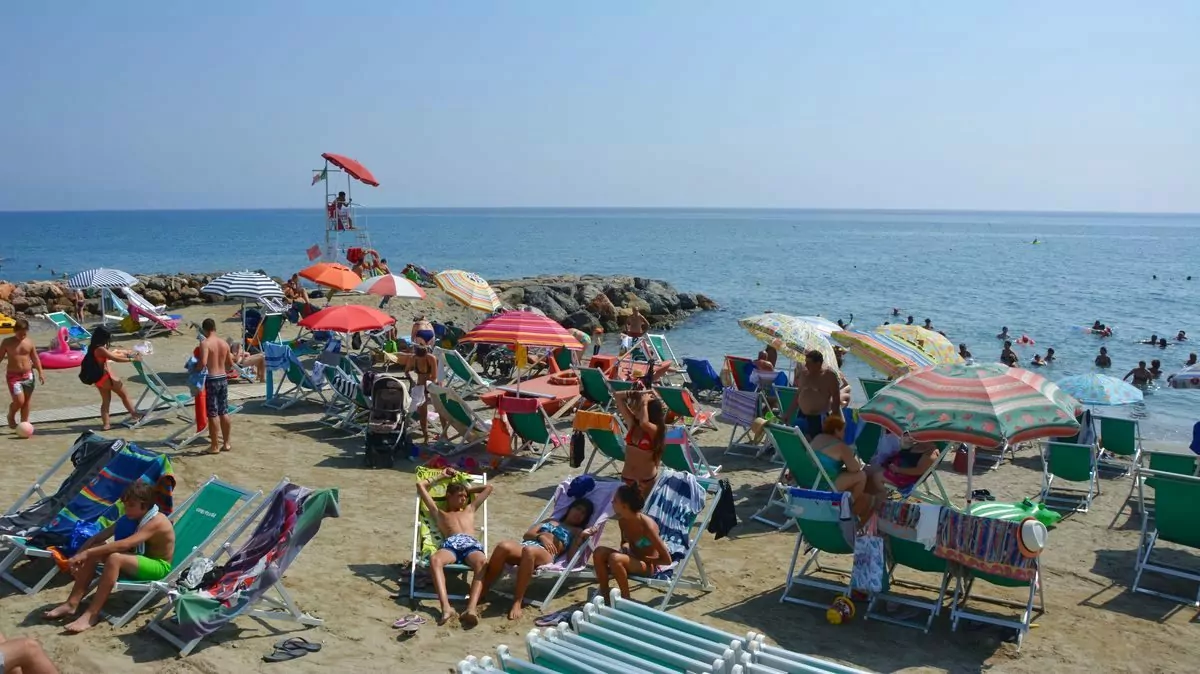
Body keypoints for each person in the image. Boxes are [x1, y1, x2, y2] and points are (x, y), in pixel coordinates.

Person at [43, 481, 174, 634]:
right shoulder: (132, 516)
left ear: (144, 506)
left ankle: (91, 615)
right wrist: (80, 555)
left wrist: (88, 553)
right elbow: (99, 537)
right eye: (125, 505)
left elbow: (124, 545)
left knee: (114, 557)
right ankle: (71, 603)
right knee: (97, 549)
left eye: (131, 505)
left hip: (157, 566)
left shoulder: (157, 522)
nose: (127, 509)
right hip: (135, 559)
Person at [479, 498, 596, 621]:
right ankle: (484, 589)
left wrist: (580, 539)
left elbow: (572, 558)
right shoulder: (551, 520)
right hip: (527, 545)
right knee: (503, 546)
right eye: (578, 509)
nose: (579, 514)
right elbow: (527, 535)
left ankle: (518, 601)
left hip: (545, 555)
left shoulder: (577, 531)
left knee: (529, 550)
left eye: (584, 514)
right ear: (570, 508)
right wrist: (541, 537)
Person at [417, 468, 492, 626]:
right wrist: (441, 476)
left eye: (465, 497)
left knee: (482, 562)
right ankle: (446, 608)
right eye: (459, 496)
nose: (463, 499)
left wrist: (467, 488)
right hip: (451, 545)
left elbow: (488, 488)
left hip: (470, 545)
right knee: (435, 560)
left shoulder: (470, 510)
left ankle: (471, 609)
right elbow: (420, 485)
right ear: (448, 496)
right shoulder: (440, 514)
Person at [592, 485, 671, 601]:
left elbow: (667, 560)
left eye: (615, 501)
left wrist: (650, 560)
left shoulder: (647, 527)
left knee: (615, 558)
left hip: (647, 566)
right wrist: (624, 546)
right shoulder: (622, 521)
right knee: (599, 552)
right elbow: (624, 542)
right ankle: (605, 594)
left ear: (624, 506)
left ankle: (625, 598)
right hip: (631, 558)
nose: (612, 502)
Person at [808, 415, 873, 517]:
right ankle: (847, 508)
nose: (844, 433)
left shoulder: (818, 438)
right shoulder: (840, 446)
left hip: (810, 481)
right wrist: (851, 455)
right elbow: (855, 469)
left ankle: (844, 503)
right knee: (861, 476)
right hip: (824, 485)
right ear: (836, 430)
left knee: (846, 474)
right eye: (843, 431)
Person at [82, 326, 141, 430]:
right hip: (108, 378)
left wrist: (123, 353)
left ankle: (106, 425)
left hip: (99, 380)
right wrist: (132, 359)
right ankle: (135, 415)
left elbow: (110, 355)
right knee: (124, 396)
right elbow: (115, 359)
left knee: (105, 401)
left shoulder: (92, 347)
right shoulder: (100, 349)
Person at [613, 387, 666, 498]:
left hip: (645, 480)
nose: (634, 409)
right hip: (627, 478)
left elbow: (644, 423)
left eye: (639, 407)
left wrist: (644, 403)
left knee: (639, 511)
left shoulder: (656, 429)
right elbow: (617, 395)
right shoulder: (633, 424)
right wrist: (638, 393)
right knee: (623, 512)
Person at [196, 318, 235, 454]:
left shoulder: (205, 343)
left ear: (205, 330)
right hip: (223, 378)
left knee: (212, 413)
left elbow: (203, 362)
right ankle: (227, 443)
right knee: (223, 411)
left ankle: (214, 446)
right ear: (215, 328)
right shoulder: (224, 343)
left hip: (212, 380)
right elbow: (230, 364)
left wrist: (195, 368)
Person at [782, 350, 842, 438]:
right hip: (802, 414)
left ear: (818, 363)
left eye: (808, 363)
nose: (806, 365)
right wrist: (788, 412)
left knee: (815, 444)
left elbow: (836, 399)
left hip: (818, 418)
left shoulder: (829, 376)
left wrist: (833, 420)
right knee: (797, 439)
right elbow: (798, 396)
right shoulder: (804, 374)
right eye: (805, 362)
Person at [1, 319, 44, 429]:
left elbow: (35, 358)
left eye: (24, 333)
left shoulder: (29, 342)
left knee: (27, 401)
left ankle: (24, 424)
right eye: (20, 333)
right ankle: (11, 416)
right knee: (19, 401)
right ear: (15, 331)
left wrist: (40, 373)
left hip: (28, 375)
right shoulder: (7, 342)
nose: (22, 336)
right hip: (13, 376)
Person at [869, 437, 942, 493]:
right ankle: (869, 496)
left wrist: (897, 469)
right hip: (895, 469)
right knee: (868, 470)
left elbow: (918, 471)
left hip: (906, 478)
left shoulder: (930, 454)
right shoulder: (918, 444)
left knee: (877, 477)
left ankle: (882, 500)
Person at [406, 345, 438, 444]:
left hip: (431, 385)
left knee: (438, 410)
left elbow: (434, 377)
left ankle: (430, 435)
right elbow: (406, 371)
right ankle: (426, 435)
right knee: (422, 412)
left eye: (422, 357)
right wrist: (413, 380)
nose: (420, 359)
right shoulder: (413, 358)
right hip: (418, 386)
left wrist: (425, 387)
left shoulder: (431, 358)